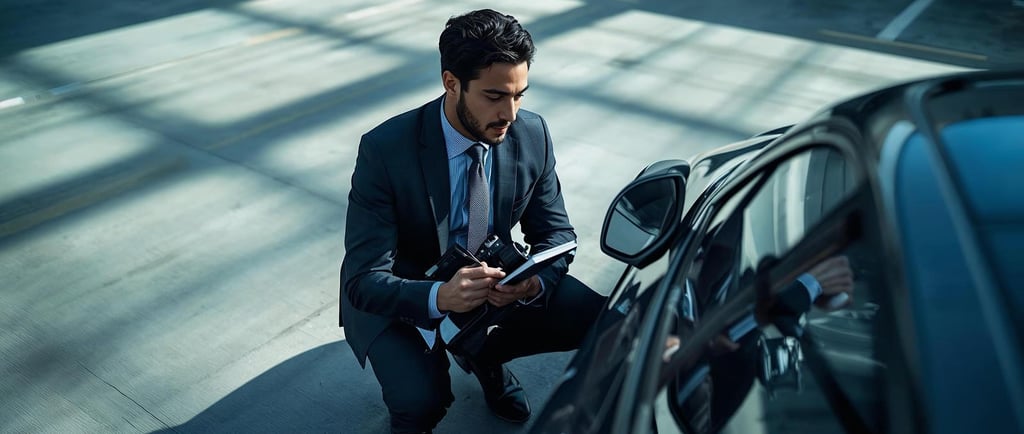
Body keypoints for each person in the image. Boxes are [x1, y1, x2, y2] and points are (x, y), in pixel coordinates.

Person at [339, 9, 606, 434]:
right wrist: (441, 296)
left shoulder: (531, 134)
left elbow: (555, 232)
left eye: (520, 95)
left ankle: (486, 357)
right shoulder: (385, 150)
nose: (511, 114)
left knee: (600, 319)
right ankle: (456, 361)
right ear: (451, 82)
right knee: (421, 402)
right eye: (495, 96)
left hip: (493, 282)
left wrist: (534, 282)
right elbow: (364, 280)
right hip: (407, 294)